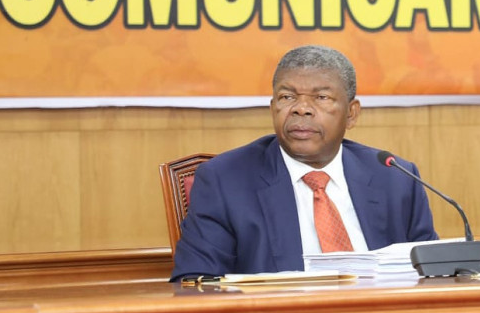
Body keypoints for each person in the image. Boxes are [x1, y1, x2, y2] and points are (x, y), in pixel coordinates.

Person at [170, 45, 438, 280]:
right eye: (287, 97)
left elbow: (432, 274)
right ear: (272, 106)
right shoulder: (225, 181)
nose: (302, 108)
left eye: (321, 98)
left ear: (351, 114)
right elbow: (195, 282)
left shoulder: (395, 178)